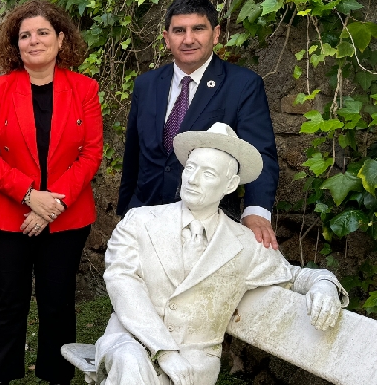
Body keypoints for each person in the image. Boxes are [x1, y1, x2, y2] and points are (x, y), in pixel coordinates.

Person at [95, 123, 348, 385]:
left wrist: (324, 283)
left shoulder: (244, 245)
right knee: (131, 365)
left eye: (208, 173)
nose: (192, 179)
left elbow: (293, 277)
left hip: (195, 360)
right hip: (130, 341)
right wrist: (165, 351)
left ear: (230, 185)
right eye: (190, 168)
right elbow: (122, 282)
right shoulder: (139, 221)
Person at [0, 0, 103, 385]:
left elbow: (91, 152)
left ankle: (57, 376)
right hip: (6, 214)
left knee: (58, 302)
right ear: (16, 45)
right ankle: (1, 377)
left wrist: (52, 204)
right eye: (25, 35)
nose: (34, 41)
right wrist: (31, 196)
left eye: (43, 33)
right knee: (9, 300)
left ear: (61, 39)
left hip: (66, 216)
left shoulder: (85, 89)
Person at [117, 0, 280, 249]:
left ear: (215, 34)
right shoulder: (146, 84)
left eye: (198, 29)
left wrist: (256, 210)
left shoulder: (242, 85)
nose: (188, 39)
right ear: (166, 38)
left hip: (207, 227)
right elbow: (134, 154)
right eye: (179, 30)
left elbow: (259, 154)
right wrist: (126, 209)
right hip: (145, 217)